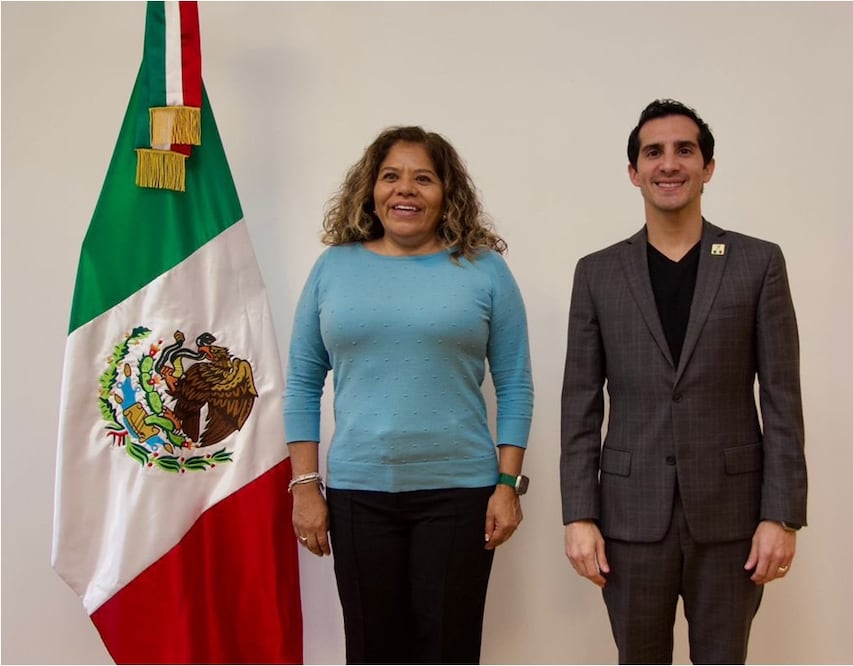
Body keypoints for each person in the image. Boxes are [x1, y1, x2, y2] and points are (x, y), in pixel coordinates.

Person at [560, 99, 807, 664]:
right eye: (654, 152)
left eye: (684, 150)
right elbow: (579, 405)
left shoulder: (758, 263)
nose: (668, 164)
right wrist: (579, 515)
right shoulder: (597, 273)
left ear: (708, 167)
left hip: (733, 520)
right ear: (634, 172)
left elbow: (783, 399)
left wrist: (781, 514)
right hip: (628, 517)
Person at [284, 126, 534, 664]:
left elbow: (515, 383)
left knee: (449, 650)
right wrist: (305, 486)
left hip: (461, 495)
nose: (406, 190)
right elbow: (303, 380)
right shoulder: (334, 267)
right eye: (391, 176)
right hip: (357, 494)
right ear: (370, 189)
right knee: (373, 652)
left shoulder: (484, 269)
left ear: (447, 192)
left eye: (424, 178)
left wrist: (507, 484)